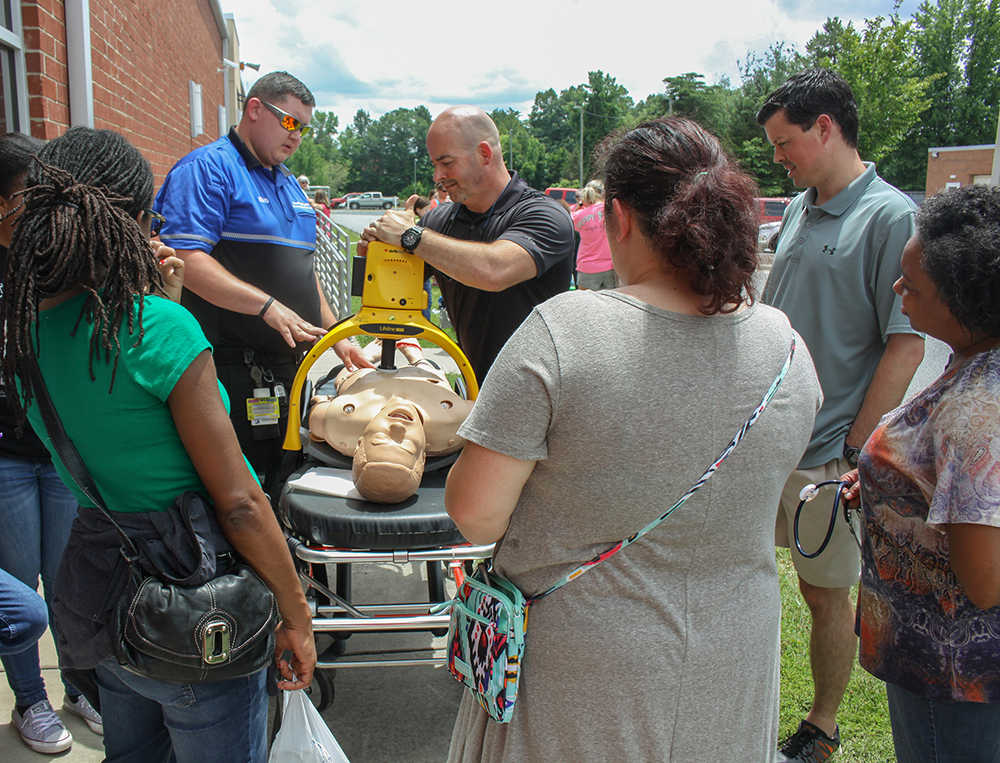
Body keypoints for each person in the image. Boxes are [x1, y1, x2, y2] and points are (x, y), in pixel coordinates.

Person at [444, 117, 821, 762]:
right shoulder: (786, 345)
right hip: (734, 651)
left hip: (585, 669)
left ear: (616, 216)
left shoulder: (564, 331)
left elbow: (473, 510)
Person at [0, 126, 316, 763]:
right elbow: (240, 504)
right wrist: (296, 612)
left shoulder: (26, 330)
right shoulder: (159, 328)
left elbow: (115, 418)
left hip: (109, 599)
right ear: (134, 222)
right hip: (199, 610)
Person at [757, 68, 925, 762]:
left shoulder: (890, 216)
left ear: (826, 128)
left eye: (783, 141)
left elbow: (906, 343)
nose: (777, 157)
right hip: (768, 440)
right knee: (755, 579)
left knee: (827, 594)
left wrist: (857, 447)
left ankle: (822, 727)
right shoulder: (800, 205)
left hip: (828, 452)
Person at [838, 185, 1000, 762]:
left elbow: (984, 579)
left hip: (954, 678)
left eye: (913, 285)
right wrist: (892, 493)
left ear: (964, 298)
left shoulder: (980, 410)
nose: (897, 289)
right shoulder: (973, 355)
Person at [154, 71, 370, 496]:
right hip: (228, 370)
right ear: (255, 109)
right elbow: (185, 260)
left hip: (286, 371)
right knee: (237, 493)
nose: (297, 137)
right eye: (290, 122)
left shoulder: (288, 182)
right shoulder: (208, 170)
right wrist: (267, 307)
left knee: (283, 481)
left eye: (304, 129)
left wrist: (336, 338)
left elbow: (303, 275)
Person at [0, 132, 104, 753]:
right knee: (18, 593)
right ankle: (30, 703)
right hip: (7, 452)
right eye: (26, 197)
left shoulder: (55, 255)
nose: (41, 209)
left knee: (70, 580)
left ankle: (80, 687)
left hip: (60, 447)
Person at [359, 105, 573, 381]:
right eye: (434, 165)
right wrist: (377, 251)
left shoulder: (544, 214)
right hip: (475, 385)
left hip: (540, 393)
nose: (438, 176)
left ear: (484, 153)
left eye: (447, 163)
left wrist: (409, 236)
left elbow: (493, 271)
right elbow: (393, 287)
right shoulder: (437, 221)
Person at [309, 360, 472, 503]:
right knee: (429, 370)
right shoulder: (452, 427)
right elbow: (473, 408)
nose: (398, 427)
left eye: (380, 437)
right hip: (424, 378)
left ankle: (366, 356)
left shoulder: (341, 426)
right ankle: (415, 354)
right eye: (407, 444)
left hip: (366, 380)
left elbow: (320, 410)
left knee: (348, 375)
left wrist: (325, 403)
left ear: (359, 443)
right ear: (423, 455)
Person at [571, 179, 615, 290]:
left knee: (587, 305)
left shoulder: (579, 215)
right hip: (611, 267)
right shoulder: (612, 211)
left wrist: (582, 204)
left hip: (587, 267)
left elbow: (571, 221)